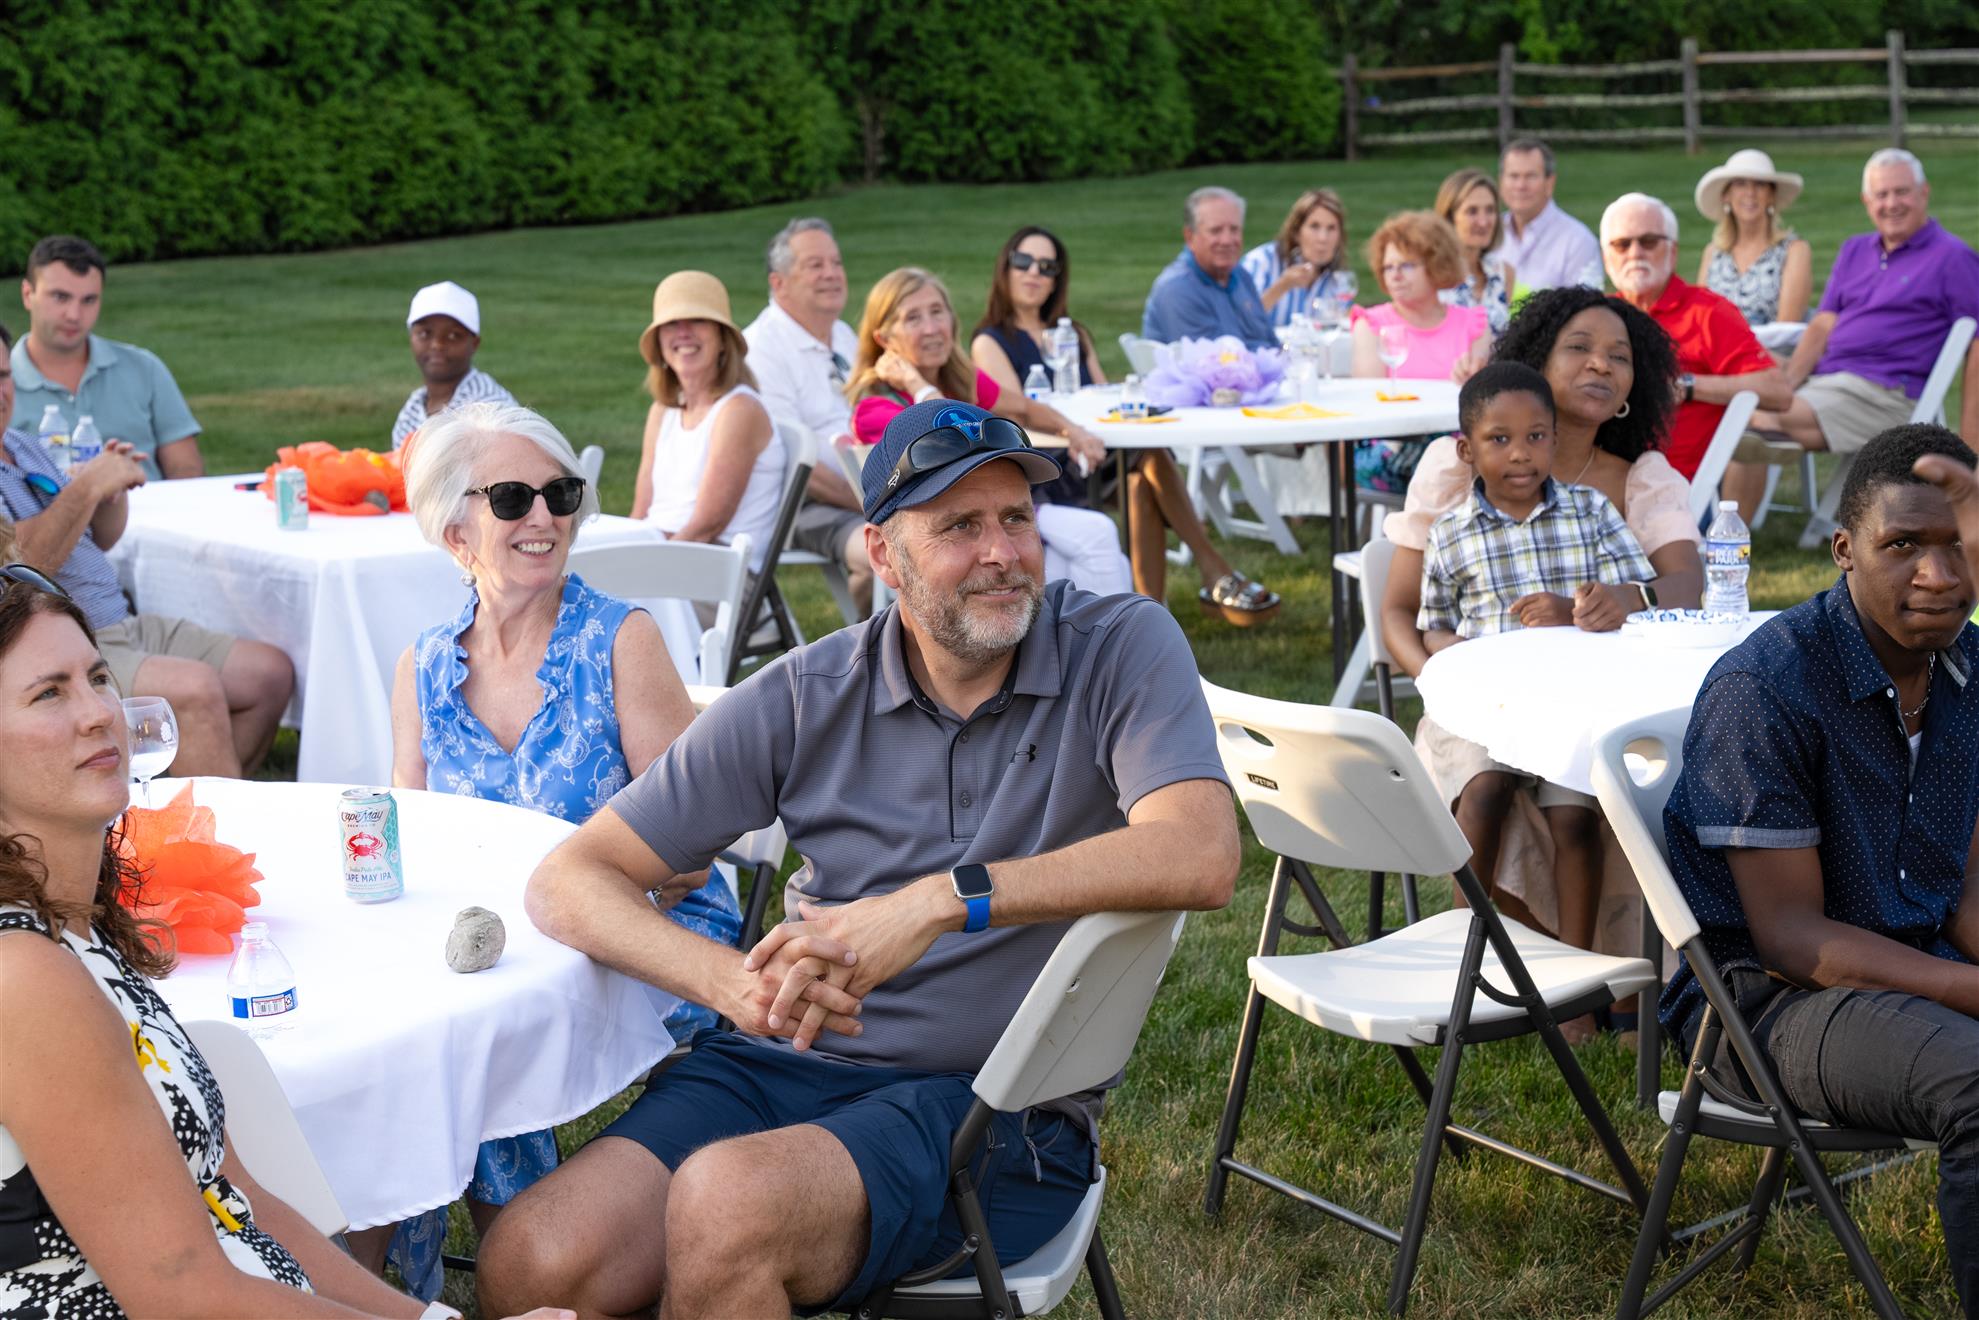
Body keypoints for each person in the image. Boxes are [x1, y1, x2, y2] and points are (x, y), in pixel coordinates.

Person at [473, 396, 1241, 1319]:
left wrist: (939, 899)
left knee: (729, 1207)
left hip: (995, 1107)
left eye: (1015, 518)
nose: (1002, 552)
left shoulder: (1117, 648)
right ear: (882, 555)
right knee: (531, 1261)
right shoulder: (810, 691)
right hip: (778, 1063)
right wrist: (730, 985)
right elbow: (569, 880)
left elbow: (1201, 852)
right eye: (959, 526)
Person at [0, 569, 573, 1320]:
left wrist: (434, 1318)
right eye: (49, 694)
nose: (97, 713)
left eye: (98, 677)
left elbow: (238, 1199)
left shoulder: (76, 931)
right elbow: (182, 1297)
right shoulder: (24, 976)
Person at [378, 401, 738, 1297]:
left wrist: (573, 887)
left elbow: (690, 851)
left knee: (465, 1047)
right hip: (493, 946)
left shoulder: (621, 640)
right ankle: (407, 1286)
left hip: (640, 938)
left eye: (560, 494)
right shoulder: (424, 667)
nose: (542, 516)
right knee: (416, 1038)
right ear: (455, 532)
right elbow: (407, 838)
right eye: (512, 498)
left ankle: (526, 1275)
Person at [1661, 422, 1979, 1316]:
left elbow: (1966, 886)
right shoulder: (1767, 687)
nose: (1936, 574)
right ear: (1843, 549)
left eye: (1955, 546)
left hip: (1916, 958)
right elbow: (1792, 941)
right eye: (1902, 546)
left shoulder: (1965, 668)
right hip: (1767, 1005)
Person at [1381, 288, 1701, 948]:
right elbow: (1399, 613)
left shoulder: (1633, 481)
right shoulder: (1458, 469)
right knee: (1488, 783)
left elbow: (1687, 584)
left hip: (1587, 702)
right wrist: (1447, 686)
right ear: (1536, 362)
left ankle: (1602, 970)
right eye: (1579, 348)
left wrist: (1626, 597)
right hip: (1475, 703)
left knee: (1615, 785)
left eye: (1618, 357)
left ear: (1630, 389)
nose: (1600, 364)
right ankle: (1487, 953)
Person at [1418, 362, 1655, 972]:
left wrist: (1589, 607)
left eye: (1536, 436)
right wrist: (1464, 660)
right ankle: (1466, 954)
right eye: (1499, 439)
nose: (1520, 454)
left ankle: (1577, 971)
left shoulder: (1590, 511)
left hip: (1571, 704)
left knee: (1574, 817)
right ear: (1467, 450)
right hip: (1485, 707)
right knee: (1485, 788)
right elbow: (1433, 625)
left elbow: (1638, 594)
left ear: (1555, 438)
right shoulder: (1450, 533)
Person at [0, 323, 294, 778]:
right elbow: (23, 568)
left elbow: (97, 539)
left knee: (268, 674)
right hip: (60, 643)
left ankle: (170, 797)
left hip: (117, 620)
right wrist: (87, 486)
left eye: (3, 376)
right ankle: (204, 814)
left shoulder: (23, 446)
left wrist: (110, 495)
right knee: (195, 689)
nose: (1, 391)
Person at [971, 226, 1281, 620]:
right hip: (1047, 467)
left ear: (1056, 279)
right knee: (1147, 462)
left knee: (1142, 475)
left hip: (1095, 454)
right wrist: (1072, 432)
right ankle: (1201, 574)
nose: (1034, 272)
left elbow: (1104, 398)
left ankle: (1152, 611)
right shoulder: (991, 342)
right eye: (1024, 262)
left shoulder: (1073, 333)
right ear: (1006, 268)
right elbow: (1016, 418)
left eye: (1047, 267)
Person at [846, 267, 1143, 602]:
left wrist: (1072, 431)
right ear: (884, 339)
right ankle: (1112, 634)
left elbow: (1026, 407)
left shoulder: (961, 379)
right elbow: (946, 435)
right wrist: (917, 385)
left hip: (996, 514)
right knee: (1096, 534)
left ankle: (1108, 632)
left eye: (937, 312)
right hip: (950, 535)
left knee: (1097, 556)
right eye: (913, 318)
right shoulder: (875, 408)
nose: (931, 328)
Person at [1722, 149, 1979, 522]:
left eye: (1901, 192)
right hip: (1826, 380)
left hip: (1882, 392)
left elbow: (1976, 345)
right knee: (1736, 382)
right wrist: (1789, 381)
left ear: (1924, 193)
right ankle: (1721, 526)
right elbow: (1823, 324)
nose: (1891, 203)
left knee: (1746, 411)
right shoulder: (1855, 249)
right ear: (1866, 201)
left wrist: (1971, 449)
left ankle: (1727, 538)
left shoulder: (1953, 258)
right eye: (1881, 194)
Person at [1599, 192, 1790, 481]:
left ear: (1672, 251)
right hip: (1599, 476)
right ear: (1606, 257)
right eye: (1622, 244)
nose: (1635, 253)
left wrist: (1686, 386)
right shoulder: (1598, 316)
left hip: (1678, 487)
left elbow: (1777, 391)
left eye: (1649, 242)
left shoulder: (1708, 313)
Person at [741, 218, 872, 614]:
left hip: (863, 491)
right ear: (779, 283)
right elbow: (795, 462)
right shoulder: (762, 349)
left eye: (836, 262)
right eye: (815, 265)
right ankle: (873, 643)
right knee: (890, 553)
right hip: (798, 504)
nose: (832, 273)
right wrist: (870, 503)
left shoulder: (843, 335)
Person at [9, 236, 204, 480]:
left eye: (89, 300)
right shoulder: (5, 383)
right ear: (28, 294)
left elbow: (186, 469)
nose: (74, 314)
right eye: (60, 297)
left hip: (146, 501)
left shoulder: (144, 368)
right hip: (42, 506)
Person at [630, 271, 785, 576]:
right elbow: (640, 514)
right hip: (662, 557)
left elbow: (706, 526)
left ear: (723, 340)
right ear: (659, 342)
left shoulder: (739, 410)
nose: (683, 333)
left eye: (697, 321)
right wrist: (621, 555)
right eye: (671, 324)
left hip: (716, 571)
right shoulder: (662, 411)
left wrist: (642, 570)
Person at [1350, 211, 1491, 382]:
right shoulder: (1371, 325)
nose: (1395, 275)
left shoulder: (1474, 325)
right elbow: (1368, 393)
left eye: (1406, 266)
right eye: (1388, 267)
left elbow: (1483, 393)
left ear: (1437, 266)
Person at [1692, 148, 1813, 327]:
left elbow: (1786, 326)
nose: (1750, 192)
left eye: (1760, 185)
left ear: (1771, 195)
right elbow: (1699, 318)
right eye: (1740, 184)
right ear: (1726, 196)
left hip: (1771, 344)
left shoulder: (1794, 250)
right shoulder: (1713, 253)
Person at [1141, 186, 1274, 349]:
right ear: (1190, 237)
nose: (1227, 240)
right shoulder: (1177, 289)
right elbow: (1212, 361)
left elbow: (1270, 340)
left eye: (1234, 229)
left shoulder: (1240, 276)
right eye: (1215, 231)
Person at [391, 281, 516, 450]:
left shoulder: (489, 409)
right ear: (411, 338)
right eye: (425, 333)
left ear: (474, 343)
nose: (437, 344)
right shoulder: (412, 409)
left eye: (453, 336)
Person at [1491, 138, 1602, 293]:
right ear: (1501, 181)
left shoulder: (1578, 242)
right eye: (1513, 176)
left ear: (1550, 182)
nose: (1521, 185)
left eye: (1530, 176)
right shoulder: (1489, 233)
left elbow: (1586, 306)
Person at [1239, 187, 1351, 329]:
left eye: (1331, 228)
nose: (1323, 238)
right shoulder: (1261, 262)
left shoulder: (1337, 280)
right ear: (1296, 233)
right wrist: (1282, 286)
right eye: (1314, 227)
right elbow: (1239, 318)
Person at [1435, 168, 1516, 334]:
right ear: (1450, 218)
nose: (1483, 222)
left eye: (1490, 210)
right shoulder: (1431, 274)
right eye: (1472, 211)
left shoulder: (1503, 272)